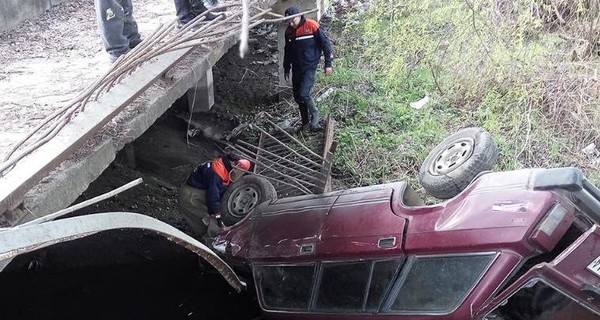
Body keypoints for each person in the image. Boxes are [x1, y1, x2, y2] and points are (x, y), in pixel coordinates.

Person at [283, 6, 334, 131]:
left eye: (292, 20)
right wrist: (286, 68)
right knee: (297, 97)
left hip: (309, 66)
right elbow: (287, 51)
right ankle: (305, 124)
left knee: (303, 94)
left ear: (299, 16)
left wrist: (328, 64)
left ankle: (315, 115)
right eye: (288, 21)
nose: (290, 23)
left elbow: (326, 44)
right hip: (296, 67)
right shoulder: (288, 31)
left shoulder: (312, 26)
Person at [178, 154, 252, 239]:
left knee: (212, 217)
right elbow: (213, 197)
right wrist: (218, 216)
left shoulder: (225, 168)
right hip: (191, 196)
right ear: (234, 164)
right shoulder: (217, 171)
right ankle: (208, 242)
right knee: (205, 222)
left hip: (201, 192)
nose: (238, 173)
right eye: (239, 170)